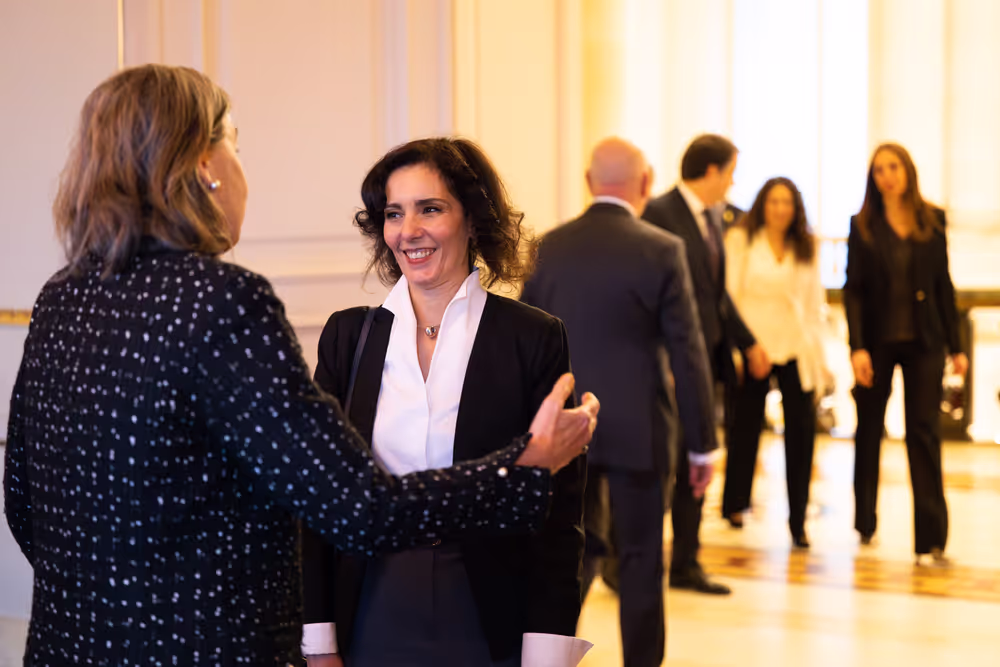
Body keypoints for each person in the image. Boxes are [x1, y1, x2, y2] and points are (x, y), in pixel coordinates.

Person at [2, 64, 598, 667]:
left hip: (71, 648)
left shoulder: (62, 296)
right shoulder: (223, 302)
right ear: (206, 166)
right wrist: (522, 466)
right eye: (236, 147)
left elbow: (23, 503)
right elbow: (358, 507)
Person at [299, 138, 589, 667]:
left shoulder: (532, 336)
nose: (408, 230)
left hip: (488, 611)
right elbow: (317, 499)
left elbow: (558, 517)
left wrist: (546, 654)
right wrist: (318, 643)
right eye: (394, 213)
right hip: (369, 602)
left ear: (472, 219)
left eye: (429, 209)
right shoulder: (347, 337)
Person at [522, 137, 717, 667]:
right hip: (640, 432)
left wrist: (527, 434)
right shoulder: (663, 249)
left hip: (564, 432)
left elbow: (523, 347)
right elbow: (688, 353)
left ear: (589, 182)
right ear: (646, 183)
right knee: (640, 562)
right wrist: (702, 446)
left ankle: (548, 660)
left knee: (566, 561)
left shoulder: (548, 247)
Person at [641, 134, 768, 595]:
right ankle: (630, 560)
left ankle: (686, 562)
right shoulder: (659, 213)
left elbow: (715, 296)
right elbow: (651, 294)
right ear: (711, 171)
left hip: (703, 361)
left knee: (698, 456)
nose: (732, 183)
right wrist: (663, 360)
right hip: (671, 365)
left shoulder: (713, 218)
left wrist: (747, 342)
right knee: (662, 465)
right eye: (730, 173)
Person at [844, 143, 966, 564]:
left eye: (893, 167)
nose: (887, 176)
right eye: (879, 170)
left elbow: (943, 285)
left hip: (924, 341)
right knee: (868, 429)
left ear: (908, 171)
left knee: (923, 432)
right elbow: (853, 291)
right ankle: (865, 520)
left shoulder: (933, 219)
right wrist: (857, 347)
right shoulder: (862, 225)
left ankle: (931, 538)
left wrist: (957, 346)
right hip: (876, 342)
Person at [721, 177, 830, 548]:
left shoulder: (805, 246)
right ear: (762, 205)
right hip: (754, 345)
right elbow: (730, 295)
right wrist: (742, 348)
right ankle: (735, 503)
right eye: (773, 201)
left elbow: (814, 304)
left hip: (795, 345)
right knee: (745, 428)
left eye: (787, 202)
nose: (780, 209)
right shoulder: (741, 240)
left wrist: (821, 357)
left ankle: (798, 519)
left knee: (802, 433)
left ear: (796, 208)